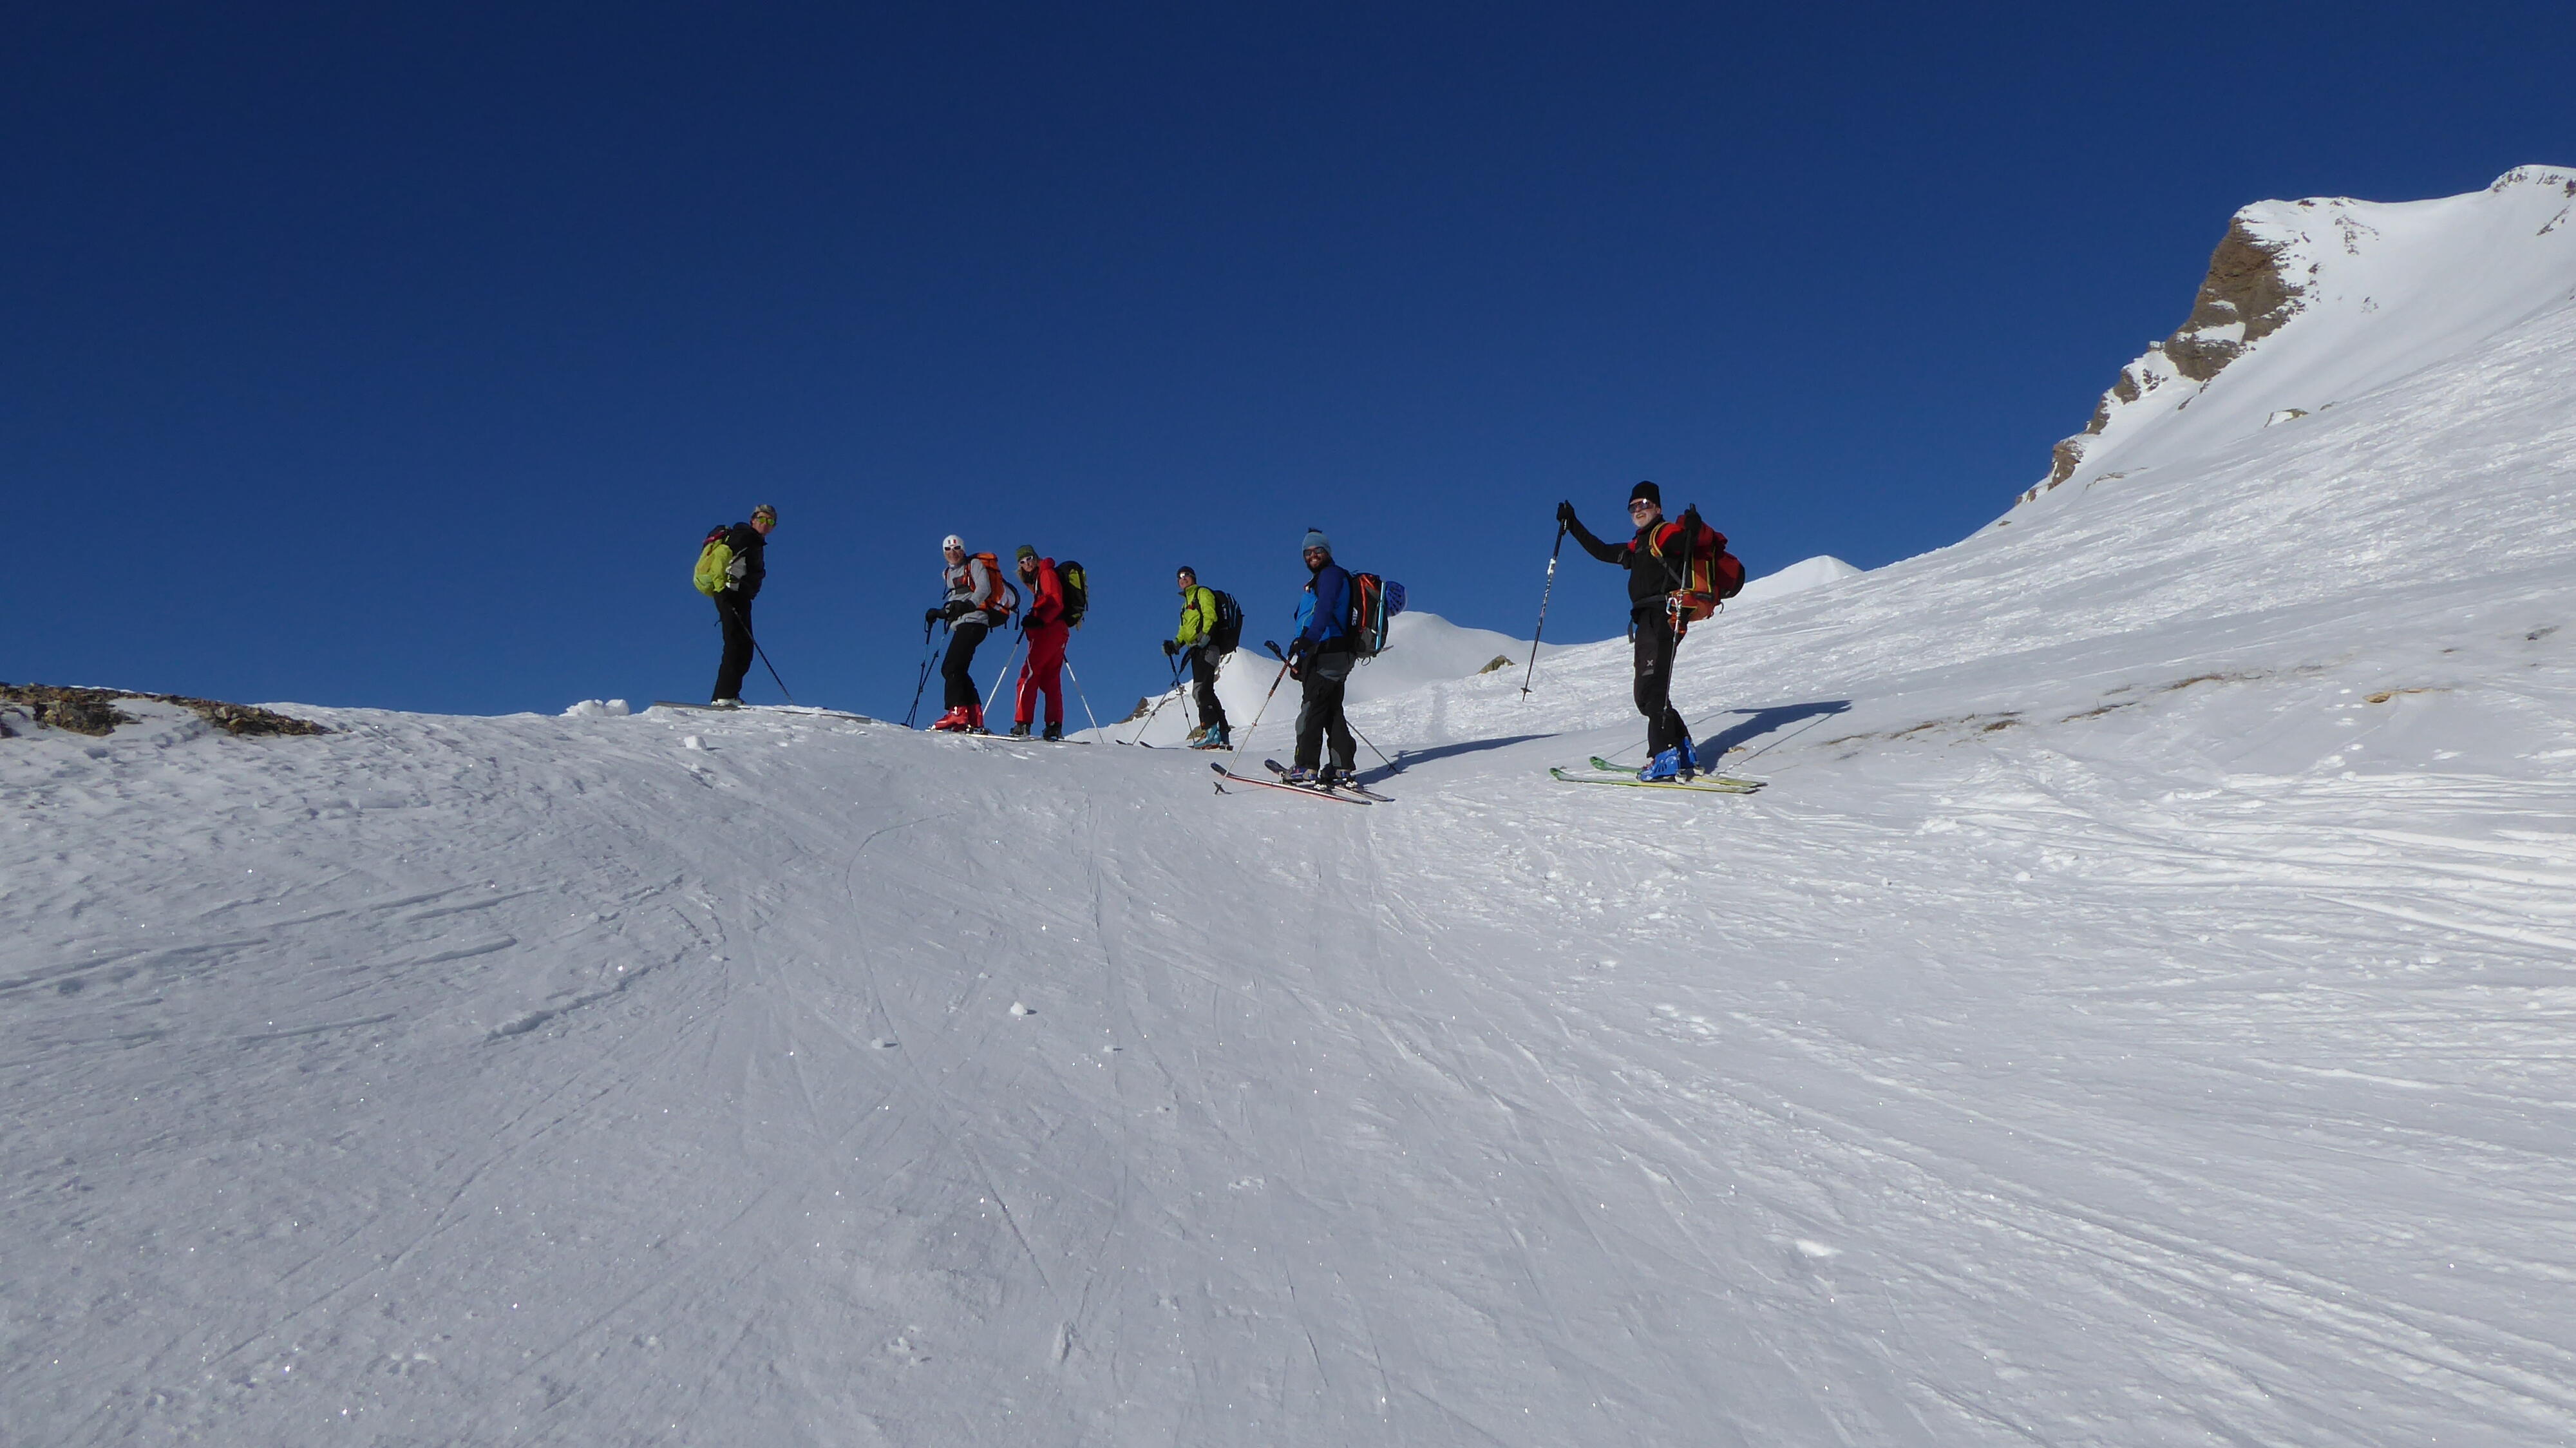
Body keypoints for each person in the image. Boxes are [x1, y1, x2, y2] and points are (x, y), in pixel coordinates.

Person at [1557, 481, 1703, 780]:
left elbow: (1688, 542)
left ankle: (1664, 757)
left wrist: (1693, 528)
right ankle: (1682, 749)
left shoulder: (1666, 535)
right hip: (1646, 620)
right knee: (1652, 691)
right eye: (1633, 506)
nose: (1638, 510)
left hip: (1663, 617)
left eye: (1644, 504)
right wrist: (1573, 524)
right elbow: (1602, 551)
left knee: (1651, 693)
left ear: (1658, 508)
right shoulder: (1638, 546)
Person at [1282, 529, 1357, 786]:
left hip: (1327, 651)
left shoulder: (1330, 576)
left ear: (1328, 552)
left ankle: (1306, 766)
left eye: (1318, 550)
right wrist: (1303, 659)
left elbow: (1324, 610)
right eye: (1308, 552)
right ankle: (1341, 766)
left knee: (1311, 710)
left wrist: (1308, 640)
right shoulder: (1328, 577)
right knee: (1332, 711)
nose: (1313, 555)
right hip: (1334, 653)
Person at [925, 535, 1009, 732]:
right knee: (958, 669)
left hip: (975, 621)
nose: (953, 553)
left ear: (963, 550)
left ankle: (957, 713)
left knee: (950, 667)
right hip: (963, 624)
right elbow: (956, 600)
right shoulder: (947, 574)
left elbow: (984, 589)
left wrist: (968, 605)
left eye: (956, 548)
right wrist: (940, 613)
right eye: (948, 549)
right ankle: (973, 715)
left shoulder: (974, 565)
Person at [708, 504, 777, 707]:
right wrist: (722, 589)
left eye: (770, 521)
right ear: (753, 520)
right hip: (731, 594)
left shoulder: (754, 541)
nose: (766, 524)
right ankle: (725, 696)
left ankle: (726, 695)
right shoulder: (744, 536)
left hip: (740, 596)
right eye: (762, 519)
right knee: (737, 645)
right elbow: (721, 557)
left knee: (743, 646)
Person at [1162, 566, 1233, 749]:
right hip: (1197, 650)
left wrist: (1204, 637)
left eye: (1186, 575)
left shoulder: (1203, 593)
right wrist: (1175, 644)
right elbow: (1184, 631)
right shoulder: (1185, 605)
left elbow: (1211, 617)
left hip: (1208, 648)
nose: (1182, 579)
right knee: (1206, 690)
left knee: (1201, 691)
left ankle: (1212, 732)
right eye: (1179, 577)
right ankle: (1221, 733)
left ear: (1193, 577)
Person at [1009, 546, 1069, 740]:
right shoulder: (1038, 577)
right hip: (1058, 631)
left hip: (1048, 631)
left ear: (1035, 558)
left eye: (1029, 559)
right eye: (1022, 561)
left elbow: (1055, 601)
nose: (1027, 563)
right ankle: (1054, 725)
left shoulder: (1045, 573)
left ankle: (1023, 723)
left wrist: (1040, 620)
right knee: (1051, 679)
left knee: (1028, 675)